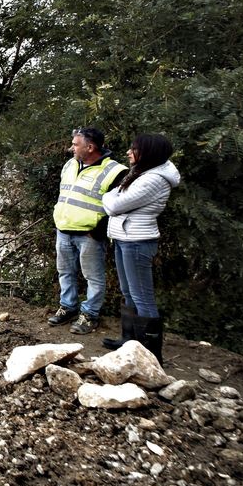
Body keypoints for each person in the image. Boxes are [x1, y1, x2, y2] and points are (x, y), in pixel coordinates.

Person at [101, 134, 180, 361]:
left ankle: (149, 355)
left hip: (137, 241)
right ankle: (130, 342)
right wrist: (112, 198)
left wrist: (108, 196)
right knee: (128, 293)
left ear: (148, 153)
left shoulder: (153, 179)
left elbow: (114, 204)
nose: (128, 152)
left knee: (142, 296)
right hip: (124, 238)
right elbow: (116, 200)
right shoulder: (141, 174)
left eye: (133, 149)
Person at [48, 127, 127, 334]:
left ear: (90, 147)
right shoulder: (70, 164)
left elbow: (122, 205)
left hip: (89, 235)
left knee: (93, 277)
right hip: (63, 229)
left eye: (75, 144)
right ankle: (68, 307)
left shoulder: (115, 171)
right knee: (65, 272)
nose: (70, 148)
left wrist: (99, 230)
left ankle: (90, 315)